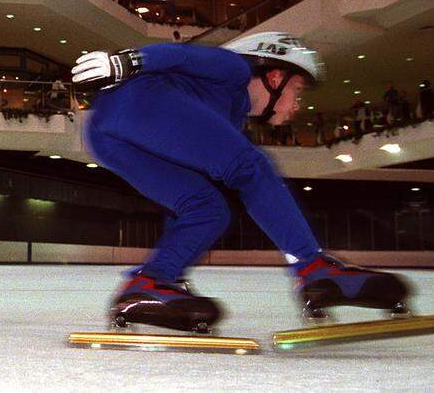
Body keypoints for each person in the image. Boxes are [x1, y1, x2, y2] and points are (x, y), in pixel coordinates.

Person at [72, 32, 409, 332]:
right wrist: (128, 61)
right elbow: (184, 55)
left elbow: (180, 197)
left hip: (105, 135)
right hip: (136, 100)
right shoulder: (235, 71)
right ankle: (315, 268)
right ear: (275, 76)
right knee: (250, 166)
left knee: (206, 208)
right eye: (298, 90)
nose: (297, 106)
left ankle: (148, 284)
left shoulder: (227, 118)